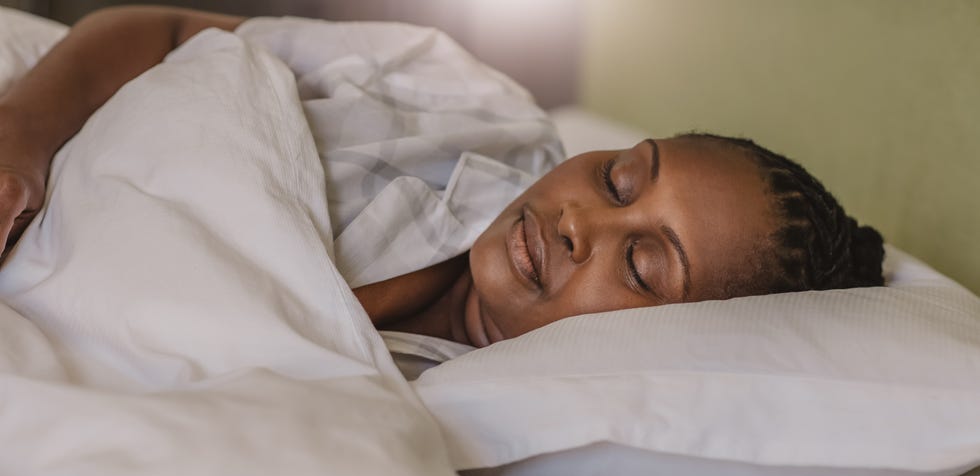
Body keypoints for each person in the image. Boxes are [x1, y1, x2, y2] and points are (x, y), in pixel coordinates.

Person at [0, 6, 884, 353]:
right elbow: (161, 32)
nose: (582, 221)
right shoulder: (470, 103)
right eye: (619, 180)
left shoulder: (474, 428)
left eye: (645, 266)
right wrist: (21, 141)